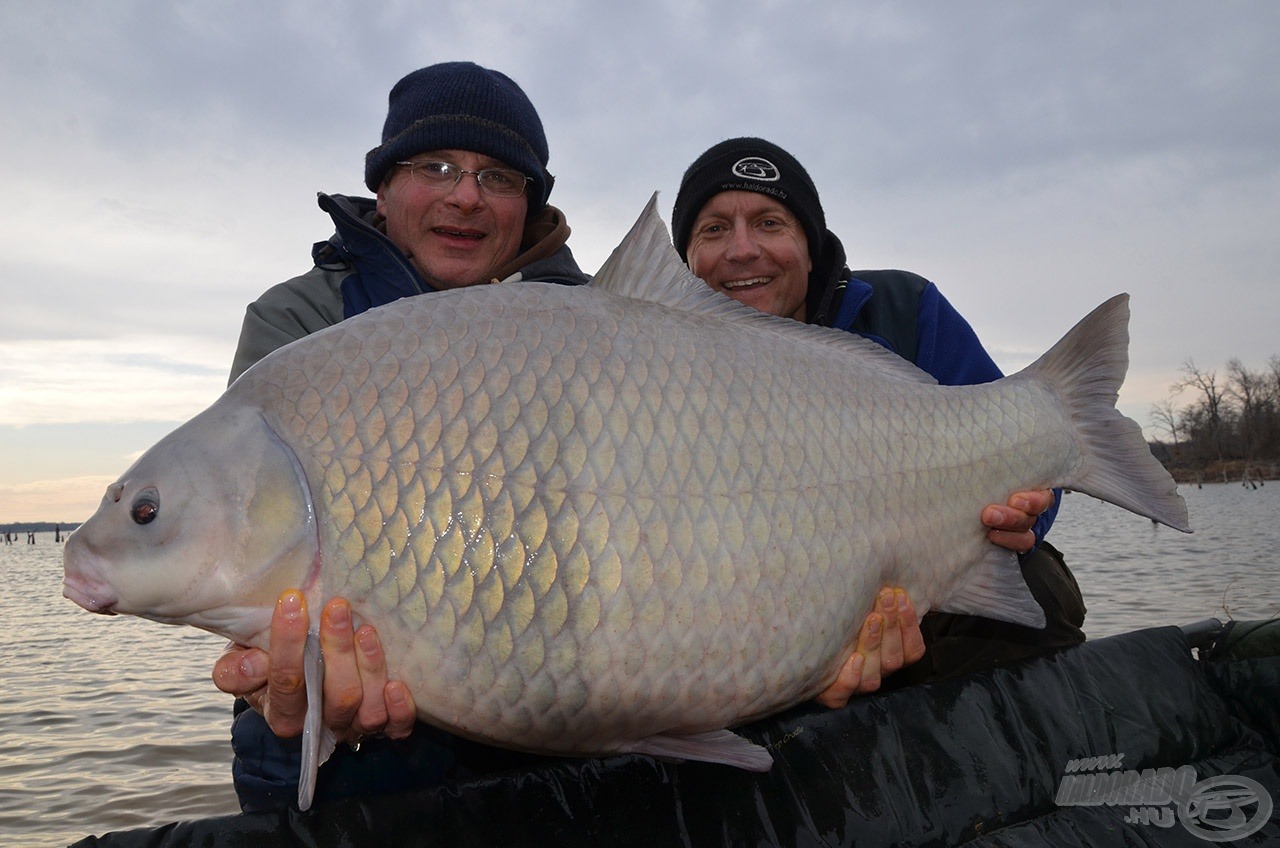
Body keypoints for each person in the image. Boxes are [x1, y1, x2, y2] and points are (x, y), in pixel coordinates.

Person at [212, 66, 920, 812]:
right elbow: (249, 548)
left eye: (498, 177)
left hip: (567, 700)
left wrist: (821, 621)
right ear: (383, 188)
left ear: (529, 204)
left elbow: (690, 522)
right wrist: (277, 676)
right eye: (436, 167)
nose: (465, 195)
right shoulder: (296, 325)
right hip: (348, 737)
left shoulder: (606, 326)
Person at [668, 137, 1087, 694]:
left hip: (922, 592)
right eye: (714, 230)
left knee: (1037, 584)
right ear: (687, 260)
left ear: (810, 246)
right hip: (745, 611)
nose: (743, 250)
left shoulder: (904, 310)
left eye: (770, 223)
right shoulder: (655, 363)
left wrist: (1023, 517)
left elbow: (1027, 453)